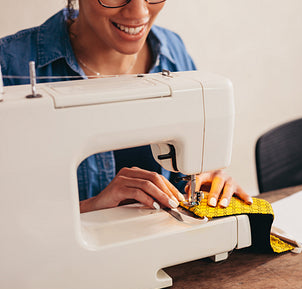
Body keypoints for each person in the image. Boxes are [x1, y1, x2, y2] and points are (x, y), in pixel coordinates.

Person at [0, 0, 252, 213]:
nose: (140, 12)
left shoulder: (172, 50)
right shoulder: (9, 65)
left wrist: (206, 177)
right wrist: (92, 208)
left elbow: (188, 171)